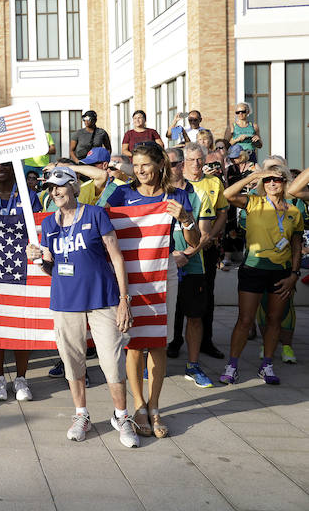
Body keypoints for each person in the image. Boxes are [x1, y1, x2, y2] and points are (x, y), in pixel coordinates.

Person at [25, 167, 140, 448]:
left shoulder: (95, 214)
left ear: (74, 187)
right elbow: (52, 269)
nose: (55, 192)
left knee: (112, 362)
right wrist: (38, 259)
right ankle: (81, 415)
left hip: (103, 298)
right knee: (72, 360)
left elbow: (117, 257)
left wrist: (124, 300)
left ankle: (121, 416)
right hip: (66, 301)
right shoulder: (50, 224)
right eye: (51, 188)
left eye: (60, 186)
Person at [104, 143, 199, 438]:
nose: (141, 170)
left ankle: (155, 406)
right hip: (129, 273)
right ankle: (139, 405)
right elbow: (102, 226)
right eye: (136, 164)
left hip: (162, 271)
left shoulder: (178, 195)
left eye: (146, 164)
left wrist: (185, 218)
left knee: (157, 340)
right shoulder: (122, 193)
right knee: (133, 341)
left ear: (160, 164)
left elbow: (194, 239)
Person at [220, 164, 302, 386]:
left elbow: (296, 245)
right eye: (267, 180)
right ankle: (232, 365)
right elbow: (227, 194)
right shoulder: (254, 202)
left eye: (276, 179)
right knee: (244, 320)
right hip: (253, 270)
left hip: (281, 273)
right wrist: (255, 176)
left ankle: (267, 365)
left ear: (285, 182)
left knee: (274, 320)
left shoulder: (294, 211)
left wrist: (295, 274)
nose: (272, 183)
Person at [0, 161, 42, 402]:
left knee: (22, 324)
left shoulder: (29, 195)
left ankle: (21, 378)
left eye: (6, 164)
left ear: (15, 168)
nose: (1, 168)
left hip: (23, 267)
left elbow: (38, 229)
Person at [163, 145, 227, 387]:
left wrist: (186, 255)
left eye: (169, 164)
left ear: (180, 165)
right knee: (161, 315)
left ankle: (193, 366)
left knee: (195, 317)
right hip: (161, 265)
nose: (165, 169)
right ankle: (154, 363)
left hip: (192, 265)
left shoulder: (196, 195)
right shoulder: (156, 194)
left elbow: (205, 235)